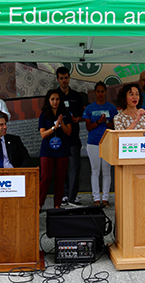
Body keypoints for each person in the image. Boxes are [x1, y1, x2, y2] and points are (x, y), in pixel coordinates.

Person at [83, 81, 117, 207]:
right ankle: (96, 198)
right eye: (98, 91)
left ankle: (105, 199)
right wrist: (98, 122)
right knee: (95, 171)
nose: (100, 94)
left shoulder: (111, 108)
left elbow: (114, 126)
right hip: (93, 143)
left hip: (108, 142)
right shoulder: (89, 108)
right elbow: (88, 127)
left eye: (102, 91)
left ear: (105, 92)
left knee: (106, 171)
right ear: (95, 93)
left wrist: (106, 121)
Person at [55, 67, 85, 206]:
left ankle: (73, 197)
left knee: (74, 168)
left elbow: (82, 115)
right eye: (61, 78)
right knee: (62, 168)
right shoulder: (55, 95)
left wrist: (77, 118)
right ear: (57, 79)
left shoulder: (76, 95)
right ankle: (64, 194)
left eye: (66, 77)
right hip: (59, 138)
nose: (64, 80)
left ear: (69, 78)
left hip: (73, 137)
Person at [38, 89, 72, 209]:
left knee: (60, 177)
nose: (55, 101)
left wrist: (61, 124)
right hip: (47, 149)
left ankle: (57, 204)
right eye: (52, 99)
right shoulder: (44, 114)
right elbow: (43, 134)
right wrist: (54, 127)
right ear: (48, 100)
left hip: (62, 149)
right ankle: (39, 203)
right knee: (45, 176)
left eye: (57, 99)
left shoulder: (65, 113)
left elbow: (69, 132)